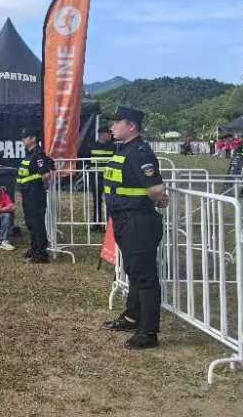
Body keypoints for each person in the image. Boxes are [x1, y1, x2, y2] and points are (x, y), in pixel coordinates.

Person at [102, 106, 168, 350]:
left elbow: (156, 189)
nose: (112, 126)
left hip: (138, 221)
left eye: (116, 122)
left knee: (144, 276)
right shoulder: (124, 149)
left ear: (131, 126)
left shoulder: (140, 152)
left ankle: (148, 332)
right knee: (132, 270)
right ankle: (133, 316)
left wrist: (160, 198)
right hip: (124, 220)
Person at [17, 128, 53, 263]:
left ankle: (41, 253)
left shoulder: (38, 155)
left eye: (25, 137)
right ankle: (34, 248)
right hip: (28, 192)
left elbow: (46, 174)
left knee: (37, 223)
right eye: (22, 137)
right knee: (30, 222)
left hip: (35, 193)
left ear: (33, 139)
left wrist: (43, 186)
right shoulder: (29, 154)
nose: (23, 139)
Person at [88, 126, 115, 228]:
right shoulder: (91, 146)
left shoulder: (113, 147)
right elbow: (87, 162)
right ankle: (97, 224)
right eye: (109, 133)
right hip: (95, 177)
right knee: (97, 200)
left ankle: (109, 224)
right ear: (102, 134)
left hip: (109, 178)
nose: (110, 135)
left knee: (110, 201)